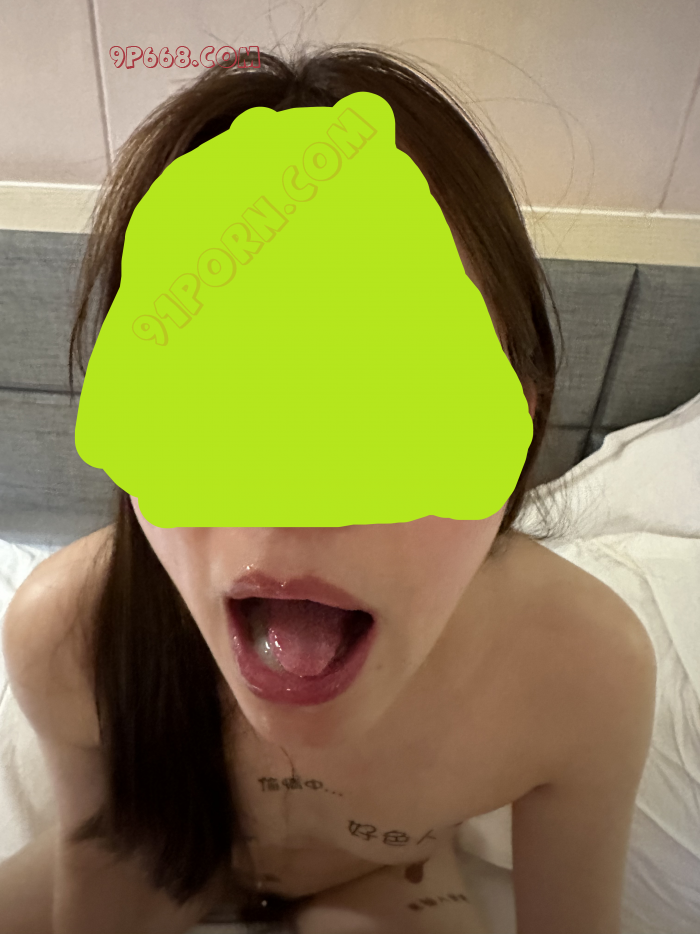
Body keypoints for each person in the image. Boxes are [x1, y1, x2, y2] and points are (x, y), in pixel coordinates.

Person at [1, 43, 656, 934]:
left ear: (524, 411)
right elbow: (101, 862)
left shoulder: (582, 671)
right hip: (167, 852)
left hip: (391, 877)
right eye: (211, 397)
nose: (296, 502)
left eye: (391, 397)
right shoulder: (64, 631)